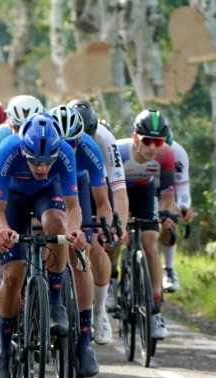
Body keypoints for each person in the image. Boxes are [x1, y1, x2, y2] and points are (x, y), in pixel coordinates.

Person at [0, 113, 86, 378]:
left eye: (48, 161)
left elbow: (74, 207)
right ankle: (4, 350)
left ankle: (55, 303)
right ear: (23, 151)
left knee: (57, 223)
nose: (42, 167)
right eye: (35, 161)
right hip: (15, 200)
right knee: (13, 275)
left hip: (48, 194)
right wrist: (2, 231)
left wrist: (74, 231)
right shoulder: (8, 149)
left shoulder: (65, 152)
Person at [49, 105, 112, 377]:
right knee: (45, 241)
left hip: (77, 188)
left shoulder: (88, 149)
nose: (69, 150)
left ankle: (85, 341)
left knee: (81, 255)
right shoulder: (40, 144)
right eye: (63, 144)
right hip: (47, 184)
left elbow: (103, 202)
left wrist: (100, 232)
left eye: (73, 143)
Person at [67, 98, 129, 343]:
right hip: (68, 182)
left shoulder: (103, 140)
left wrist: (118, 227)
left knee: (97, 247)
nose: (87, 139)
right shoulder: (57, 130)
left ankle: (99, 311)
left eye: (90, 133)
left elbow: (119, 192)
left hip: (94, 184)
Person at [0, 94, 45, 324]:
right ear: (9, 124)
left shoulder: (48, 136)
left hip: (39, 192)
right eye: (17, 126)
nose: (23, 132)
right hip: (9, 191)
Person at [116, 110, 177, 340]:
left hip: (144, 192)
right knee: (114, 236)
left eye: (158, 141)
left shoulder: (166, 155)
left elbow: (168, 194)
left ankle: (154, 311)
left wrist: (166, 215)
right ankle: (112, 280)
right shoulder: (119, 152)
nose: (152, 147)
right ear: (135, 139)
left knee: (150, 243)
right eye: (147, 141)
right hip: (118, 191)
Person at [161, 130, 194, 293]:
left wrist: (183, 207)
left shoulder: (178, 152)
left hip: (166, 189)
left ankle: (168, 268)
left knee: (171, 216)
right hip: (140, 186)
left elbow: (182, 188)